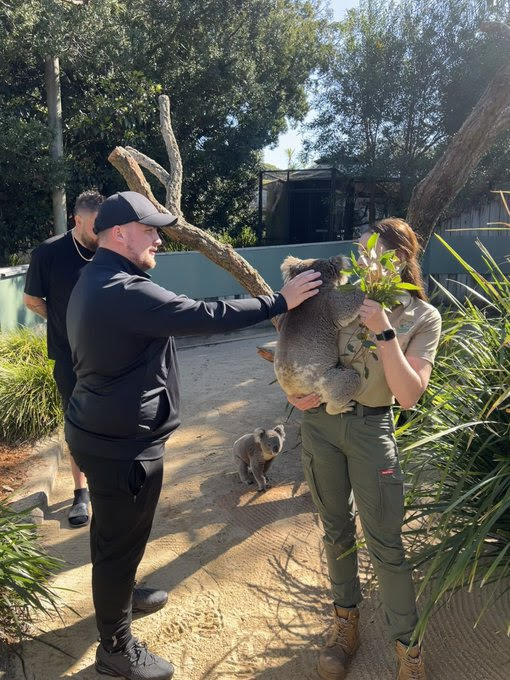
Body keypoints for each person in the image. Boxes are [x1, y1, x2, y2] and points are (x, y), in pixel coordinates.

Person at [65, 191, 323, 680]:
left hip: (100, 431)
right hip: (123, 447)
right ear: (119, 233)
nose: (159, 239)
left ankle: (121, 595)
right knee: (120, 541)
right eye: (151, 230)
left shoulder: (93, 279)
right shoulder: (124, 289)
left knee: (115, 538)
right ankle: (115, 649)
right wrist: (279, 301)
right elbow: (206, 315)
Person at [284, 218, 442, 680]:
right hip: (320, 425)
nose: (362, 260)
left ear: (398, 258)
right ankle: (345, 625)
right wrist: (293, 390)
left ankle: (408, 649)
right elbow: (299, 342)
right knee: (335, 530)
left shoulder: (421, 317)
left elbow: (409, 394)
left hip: (372, 430)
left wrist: (384, 329)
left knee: (385, 544)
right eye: (360, 251)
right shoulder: (337, 298)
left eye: (372, 251)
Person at [24, 189, 105, 527]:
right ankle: (81, 492)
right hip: (67, 356)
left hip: (110, 353)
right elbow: (31, 300)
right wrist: (61, 322)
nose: (102, 232)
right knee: (77, 424)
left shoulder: (111, 251)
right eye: (96, 225)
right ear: (78, 219)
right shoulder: (49, 253)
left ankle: (111, 480)